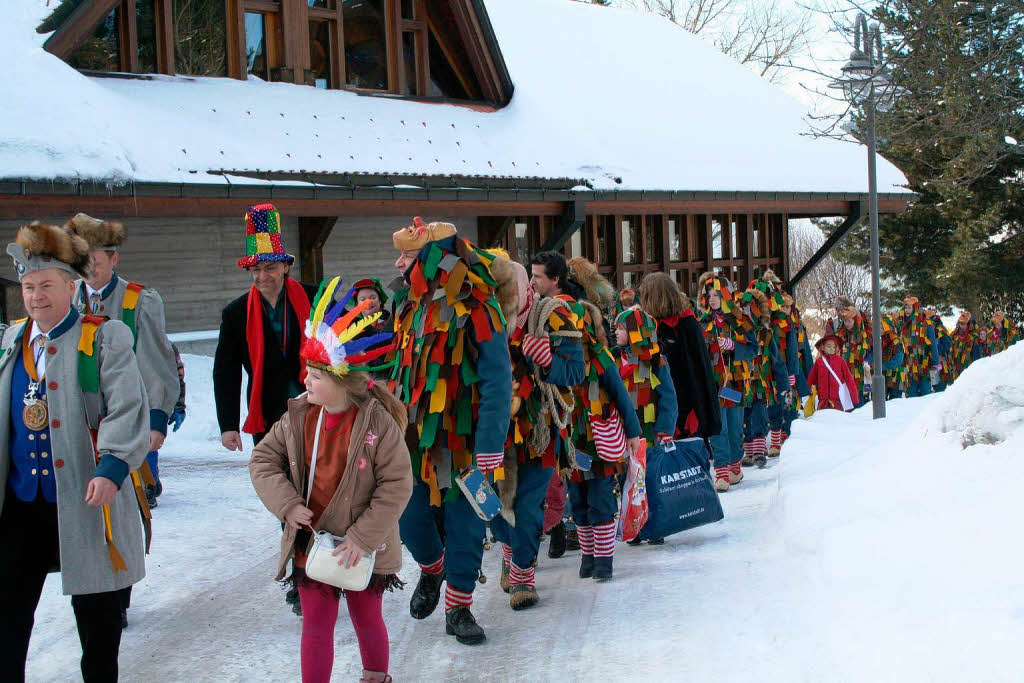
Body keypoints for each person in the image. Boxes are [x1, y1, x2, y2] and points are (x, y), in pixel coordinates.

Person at [0, 221, 150, 682]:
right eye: (28, 286)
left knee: (99, 625)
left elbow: (127, 406)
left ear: (71, 286)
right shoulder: (10, 340)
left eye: (45, 285)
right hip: (21, 506)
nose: (35, 295)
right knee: (6, 621)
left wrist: (111, 467)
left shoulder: (102, 338)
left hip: (88, 499)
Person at [249, 277, 412, 683]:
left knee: (367, 618)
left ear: (341, 382)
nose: (306, 382)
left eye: (316, 376)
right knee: (316, 627)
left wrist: (362, 537)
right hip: (313, 543)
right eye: (307, 374)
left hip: (363, 546)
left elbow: (397, 485)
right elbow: (263, 460)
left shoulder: (377, 423)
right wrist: (287, 505)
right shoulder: (299, 416)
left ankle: (376, 677)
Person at [389, 218, 512, 645]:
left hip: (468, 441)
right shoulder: (409, 305)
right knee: (410, 519)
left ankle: (459, 606)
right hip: (416, 438)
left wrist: (490, 445)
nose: (400, 263)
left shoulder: (481, 307)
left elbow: (498, 381)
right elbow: (399, 372)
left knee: (468, 523)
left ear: (434, 258)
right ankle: (431, 568)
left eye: (408, 255)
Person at [531, 253, 643, 582]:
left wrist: (634, 433)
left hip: (599, 435)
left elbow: (620, 392)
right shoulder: (554, 358)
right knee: (576, 497)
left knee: (598, 499)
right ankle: (589, 557)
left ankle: (604, 561)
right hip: (569, 436)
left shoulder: (597, 357)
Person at [490, 255, 585, 609]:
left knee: (529, 505)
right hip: (491, 432)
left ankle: (522, 574)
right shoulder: (482, 321)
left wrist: (549, 360)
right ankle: (510, 550)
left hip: (538, 430)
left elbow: (577, 373)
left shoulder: (553, 316)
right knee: (491, 506)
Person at [66, 214, 179, 508]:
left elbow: (157, 362)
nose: (88, 268)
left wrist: (156, 420)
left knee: (131, 501)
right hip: (81, 420)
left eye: (95, 259)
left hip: (130, 415)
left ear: (114, 258)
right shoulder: (64, 300)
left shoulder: (139, 301)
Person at [213, 204, 318, 450]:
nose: (263, 276)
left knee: (317, 479)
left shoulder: (316, 299)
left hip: (315, 405)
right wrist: (228, 424)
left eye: (270, 268)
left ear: (285, 266)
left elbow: (347, 334)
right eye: (256, 270)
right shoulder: (235, 314)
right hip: (266, 412)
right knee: (274, 480)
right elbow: (226, 372)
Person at [613, 306, 678, 545]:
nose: (616, 332)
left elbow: (668, 397)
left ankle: (654, 525)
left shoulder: (655, 360)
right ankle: (633, 525)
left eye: (621, 328)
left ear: (636, 332)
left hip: (649, 430)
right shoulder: (613, 358)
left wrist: (665, 429)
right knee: (627, 480)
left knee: (649, 479)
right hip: (624, 432)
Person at [636, 272, 720, 441]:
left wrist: (693, 410)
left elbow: (697, 370)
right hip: (660, 402)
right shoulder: (649, 324)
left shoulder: (685, 322)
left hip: (685, 404)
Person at [696, 273, 758, 492]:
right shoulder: (702, 323)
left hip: (736, 384)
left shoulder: (741, 320)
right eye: (709, 295)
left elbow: (754, 349)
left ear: (726, 295)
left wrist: (733, 346)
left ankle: (734, 467)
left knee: (734, 428)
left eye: (716, 294)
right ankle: (721, 471)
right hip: (713, 383)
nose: (712, 299)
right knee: (717, 428)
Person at [738, 284, 789, 468]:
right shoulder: (738, 333)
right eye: (743, 309)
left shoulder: (765, 333)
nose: (746, 312)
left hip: (761, 382)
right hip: (742, 382)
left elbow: (777, 360)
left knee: (759, 414)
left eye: (750, 309)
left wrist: (783, 384)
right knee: (745, 415)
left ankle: (759, 451)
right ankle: (749, 452)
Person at [807, 334, 859, 411]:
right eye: (829, 346)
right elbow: (812, 378)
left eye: (834, 347)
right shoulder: (819, 362)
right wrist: (808, 391)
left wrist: (854, 397)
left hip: (838, 401)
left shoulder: (840, 361)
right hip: (823, 401)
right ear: (823, 347)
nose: (831, 349)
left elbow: (849, 379)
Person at [948, 311, 984, 380]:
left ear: (970, 325)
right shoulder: (953, 336)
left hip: (968, 372)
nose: (962, 326)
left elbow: (976, 359)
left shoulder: (974, 338)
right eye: (961, 323)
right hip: (955, 371)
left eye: (964, 324)